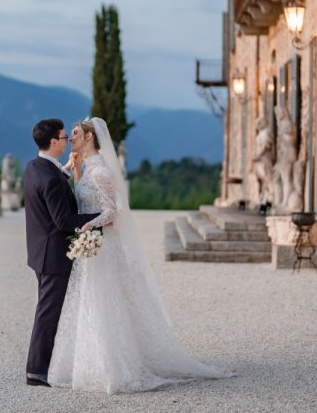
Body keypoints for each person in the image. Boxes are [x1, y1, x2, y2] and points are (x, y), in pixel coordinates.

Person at [48, 117, 235, 393]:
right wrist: (74, 172)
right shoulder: (86, 170)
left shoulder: (101, 172)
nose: (70, 138)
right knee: (90, 300)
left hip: (103, 245)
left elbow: (112, 211)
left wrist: (89, 225)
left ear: (89, 138)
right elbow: (85, 200)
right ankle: (88, 362)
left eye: (75, 133)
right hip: (91, 245)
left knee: (106, 300)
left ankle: (115, 365)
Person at [23, 118, 99, 387]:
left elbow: (51, 182)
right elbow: (64, 221)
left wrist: (67, 170)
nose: (68, 140)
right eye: (64, 137)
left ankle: (46, 364)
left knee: (48, 310)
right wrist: (101, 217)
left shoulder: (35, 167)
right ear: (54, 142)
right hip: (53, 257)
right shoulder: (51, 178)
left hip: (38, 253)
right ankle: (36, 371)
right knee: (48, 313)